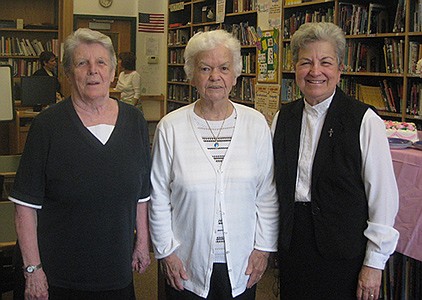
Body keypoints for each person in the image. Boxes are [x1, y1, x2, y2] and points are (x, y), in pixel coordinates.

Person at [9, 28, 151, 300]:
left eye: (101, 62)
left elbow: (142, 195)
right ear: (68, 72)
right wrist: (33, 269)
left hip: (115, 271)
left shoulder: (135, 122)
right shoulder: (46, 126)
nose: (92, 71)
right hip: (56, 276)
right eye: (82, 63)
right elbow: (25, 207)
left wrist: (142, 244)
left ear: (113, 72)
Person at [271, 22, 399, 300]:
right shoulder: (283, 118)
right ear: (295, 69)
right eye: (306, 62)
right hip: (294, 246)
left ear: (340, 69)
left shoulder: (364, 120)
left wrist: (374, 264)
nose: (315, 71)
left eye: (325, 62)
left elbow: (383, 197)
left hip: (344, 251)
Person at [149, 29, 279, 300]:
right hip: (186, 265)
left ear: (235, 75)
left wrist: (263, 249)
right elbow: (159, 196)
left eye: (223, 68)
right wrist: (166, 252)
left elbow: (267, 194)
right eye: (205, 68)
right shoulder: (170, 127)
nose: (215, 76)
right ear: (192, 74)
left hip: (243, 264)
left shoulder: (256, 125)